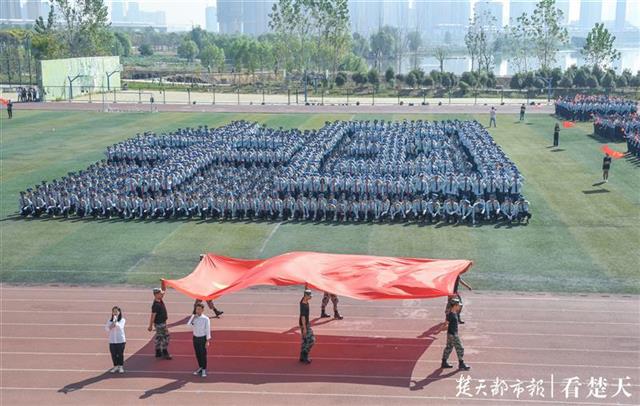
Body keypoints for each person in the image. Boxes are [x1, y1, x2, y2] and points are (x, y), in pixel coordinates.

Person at [441, 299, 471, 371]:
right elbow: (446, 324)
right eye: (458, 305)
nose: (459, 307)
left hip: (450, 334)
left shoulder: (454, 313)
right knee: (460, 348)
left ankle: (444, 362)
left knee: (449, 347)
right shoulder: (451, 315)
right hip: (453, 334)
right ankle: (461, 364)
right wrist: (444, 328)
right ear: (454, 306)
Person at [187, 302, 211, 377]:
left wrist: (207, 341)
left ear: (202, 310)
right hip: (195, 338)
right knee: (197, 354)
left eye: (199, 309)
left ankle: (204, 369)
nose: (198, 310)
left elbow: (208, 330)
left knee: (203, 354)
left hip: (202, 338)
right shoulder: (193, 317)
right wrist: (193, 318)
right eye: (197, 309)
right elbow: (188, 325)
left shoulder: (206, 319)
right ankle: (200, 367)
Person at [148, 288, 172, 360]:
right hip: (160, 324)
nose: (162, 295)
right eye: (160, 294)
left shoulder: (159, 300)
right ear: (156, 295)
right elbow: (153, 315)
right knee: (166, 336)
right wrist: (150, 326)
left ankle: (158, 351)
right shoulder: (156, 305)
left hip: (161, 323)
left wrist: (163, 285)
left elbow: (163, 292)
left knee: (159, 337)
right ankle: (164, 351)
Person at [105, 306, 126, 373]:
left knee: (120, 354)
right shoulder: (109, 320)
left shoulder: (122, 320)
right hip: (112, 341)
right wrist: (112, 323)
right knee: (113, 354)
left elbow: (120, 327)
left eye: (116, 311)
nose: (115, 313)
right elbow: (106, 329)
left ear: (119, 312)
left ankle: (121, 367)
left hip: (120, 340)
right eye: (114, 311)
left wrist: (115, 322)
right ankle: (115, 366)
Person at [299, 288, 315, 364]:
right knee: (311, 340)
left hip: (305, 324)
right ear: (305, 295)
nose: (311, 297)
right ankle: (305, 354)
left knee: (305, 340)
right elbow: (303, 317)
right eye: (309, 295)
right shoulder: (303, 305)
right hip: (304, 324)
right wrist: (304, 328)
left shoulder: (304, 300)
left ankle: (302, 357)